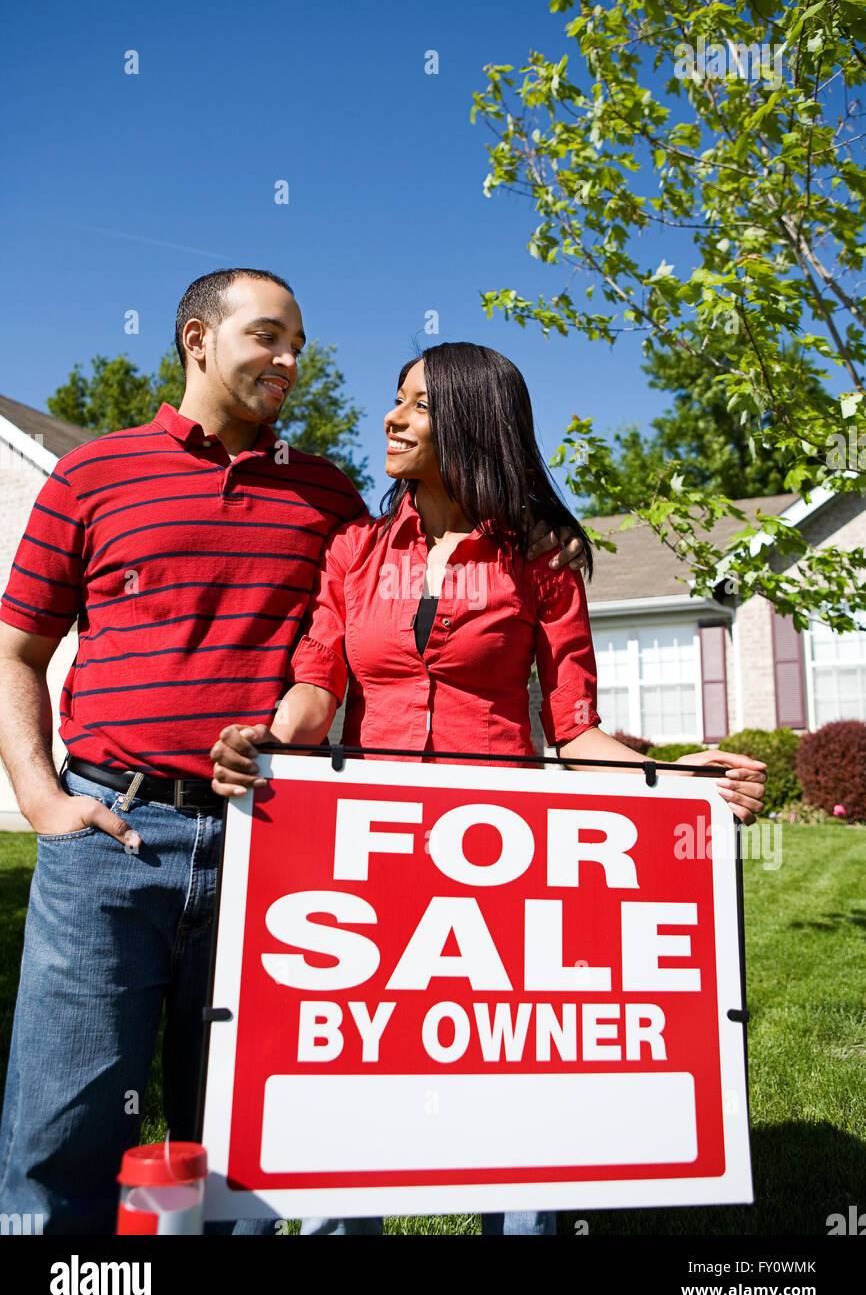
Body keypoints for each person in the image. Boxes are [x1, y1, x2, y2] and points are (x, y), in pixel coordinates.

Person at [0, 274, 590, 1236]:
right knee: (60, 1129)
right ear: (198, 339)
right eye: (268, 337)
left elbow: (330, 678)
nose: (291, 361)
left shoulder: (332, 500)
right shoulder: (92, 476)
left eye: (299, 344)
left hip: (273, 846)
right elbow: (18, 649)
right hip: (111, 834)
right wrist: (41, 796)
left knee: (252, 1132)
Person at [210, 340, 767, 1236]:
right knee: (354, 1079)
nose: (391, 419)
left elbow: (575, 730)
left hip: (497, 860)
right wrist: (264, 747)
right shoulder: (353, 550)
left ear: (474, 422)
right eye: (396, 400)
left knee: (513, 1089)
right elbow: (318, 692)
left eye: (419, 405)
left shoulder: (542, 558)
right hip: (370, 851)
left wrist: (679, 773)